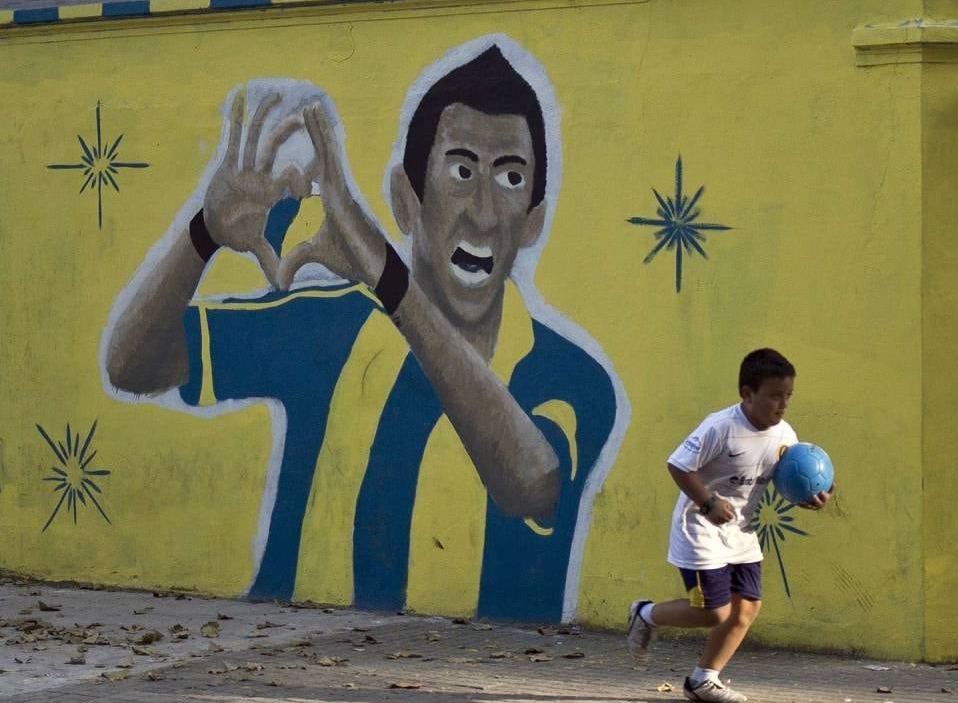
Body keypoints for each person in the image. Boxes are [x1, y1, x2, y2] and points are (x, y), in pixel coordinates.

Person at [101, 36, 625, 621]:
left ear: (533, 222)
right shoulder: (327, 329)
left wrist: (388, 277)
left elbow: (532, 484)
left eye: (508, 179)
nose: (482, 211)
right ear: (406, 199)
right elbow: (131, 365)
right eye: (460, 170)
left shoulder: (575, 380)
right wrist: (203, 234)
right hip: (291, 662)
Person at [626, 348, 830, 703]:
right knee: (713, 612)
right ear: (747, 394)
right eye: (774, 396)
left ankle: (704, 680)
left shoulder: (785, 435)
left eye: (788, 396)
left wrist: (812, 495)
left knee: (747, 608)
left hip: (741, 532)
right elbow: (678, 465)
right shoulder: (721, 428)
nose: (782, 405)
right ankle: (644, 614)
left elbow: (792, 478)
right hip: (700, 528)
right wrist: (707, 502)